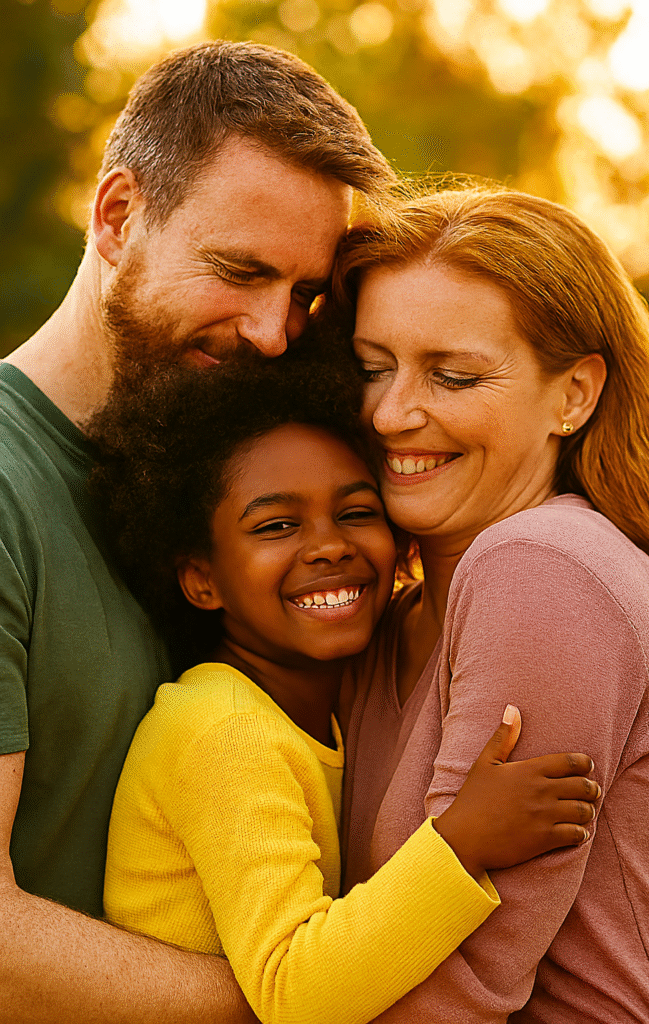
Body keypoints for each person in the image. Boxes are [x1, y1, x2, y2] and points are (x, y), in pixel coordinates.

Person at [0, 40, 394, 1024]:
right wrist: (313, 988)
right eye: (239, 271)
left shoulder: (229, 478)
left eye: (301, 294)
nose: (271, 333)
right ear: (118, 216)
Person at [90, 347, 598, 1024]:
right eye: (276, 526)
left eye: (357, 513)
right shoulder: (221, 730)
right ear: (201, 579)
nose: (328, 545)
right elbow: (294, 993)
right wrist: (461, 841)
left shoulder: (332, 700)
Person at [334, 185, 649, 1022]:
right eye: (370, 368)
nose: (390, 412)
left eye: (452, 375)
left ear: (574, 395)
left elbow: (450, 991)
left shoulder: (542, 568)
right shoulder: (391, 616)